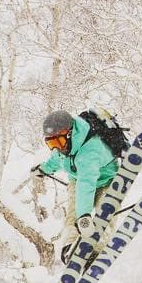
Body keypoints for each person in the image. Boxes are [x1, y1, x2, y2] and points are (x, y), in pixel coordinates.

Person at [36, 109, 119, 264]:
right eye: (51, 143)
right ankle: (70, 246)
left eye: (58, 142)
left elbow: (86, 184)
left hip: (106, 180)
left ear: (69, 133)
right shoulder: (65, 146)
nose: (57, 147)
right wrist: (43, 169)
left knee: (105, 214)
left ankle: (98, 250)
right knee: (72, 217)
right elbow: (57, 159)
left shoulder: (90, 149)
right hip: (78, 179)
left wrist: (85, 216)